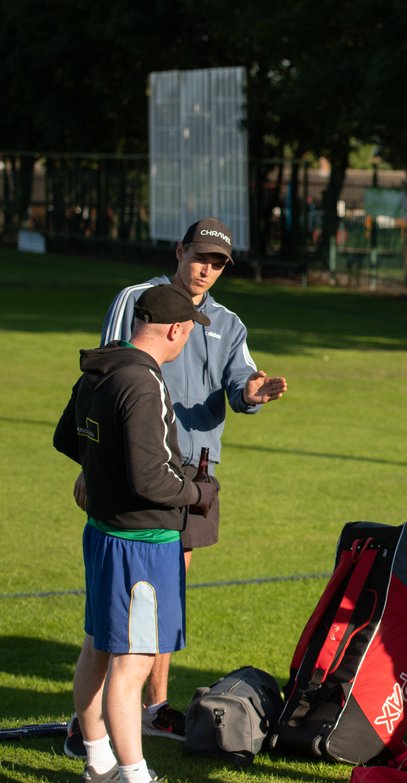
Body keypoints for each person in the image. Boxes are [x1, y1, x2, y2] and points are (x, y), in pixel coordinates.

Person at [64, 217, 287, 751]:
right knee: (128, 604)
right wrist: (87, 465)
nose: (207, 270)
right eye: (200, 257)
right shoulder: (139, 300)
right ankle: (106, 721)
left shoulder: (228, 323)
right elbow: (101, 377)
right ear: (180, 251)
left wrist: (255, 391)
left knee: (167, 597)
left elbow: (241, 384)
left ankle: (149, 707)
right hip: (136, 469)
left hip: (196, 474)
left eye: (217, 264)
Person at [54, 284, 214, 783]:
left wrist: (99, 473)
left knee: (98, 647)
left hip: (104, 535)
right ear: (176, 329)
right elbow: (151, 480)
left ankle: (97, 764)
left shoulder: (103, 367)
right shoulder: (144, 383)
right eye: (190, 331)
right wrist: (197, 492)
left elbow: (68, 438)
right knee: (132, 664)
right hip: (142, 546)